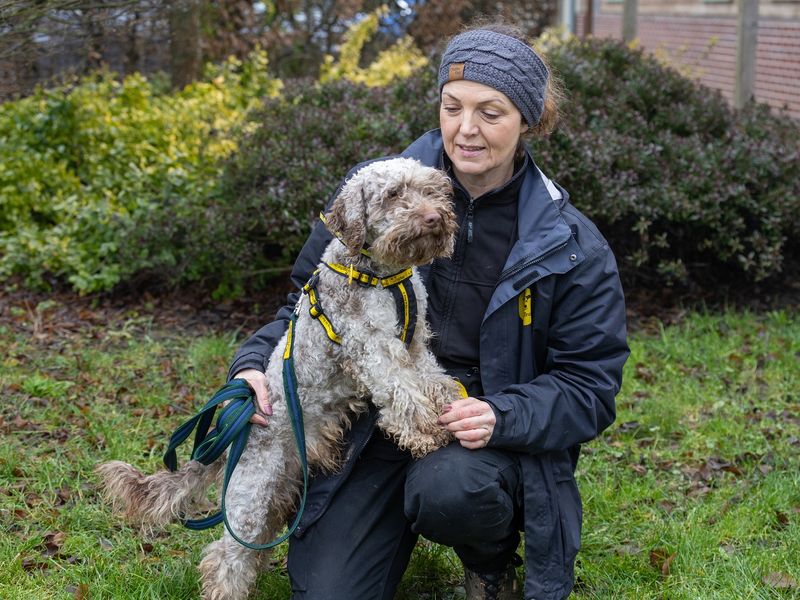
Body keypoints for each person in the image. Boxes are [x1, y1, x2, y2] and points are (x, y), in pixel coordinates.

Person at [226, 21, 629, 600]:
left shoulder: (568, 242)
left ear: (528, 121)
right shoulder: (374, 191)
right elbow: (306, 302)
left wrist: (503, 414)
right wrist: (252, 364)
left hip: (479, 432)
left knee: (453, 492)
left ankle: (489, 562)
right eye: (452, 107)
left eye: (491, 112)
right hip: (369, 423)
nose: (467, 130)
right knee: (329, 591)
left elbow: (590, 386)